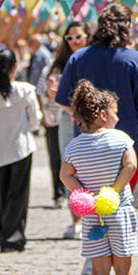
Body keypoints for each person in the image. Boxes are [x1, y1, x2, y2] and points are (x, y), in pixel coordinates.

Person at [56, 4, 138, 209]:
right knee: (125, 209)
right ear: (127, 27)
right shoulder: (134, 59)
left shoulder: (78, 58)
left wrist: (81, 116)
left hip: (86, 149)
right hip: (127, 148)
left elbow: (63, 99)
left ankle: (97, 240)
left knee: (93, 210)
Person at [61, 79, 138, 275]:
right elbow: (130, 165)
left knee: (98, 268)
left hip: (94, 215)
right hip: (119, 210)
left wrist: (84, 194)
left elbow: (65, 174)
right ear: (104, 115)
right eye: (116, 112)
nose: (118, 116)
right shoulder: (120, 139)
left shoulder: (74, 146)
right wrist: (114, 191)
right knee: (123, 266)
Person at [0, 48, 42, 252]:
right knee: (18, 195)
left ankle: (2, 235)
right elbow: (35, 120)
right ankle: (13, 236)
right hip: (20, 148)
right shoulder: (25, 91)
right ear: (16, 67)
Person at [47, 21, 90, 236]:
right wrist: (51, 94)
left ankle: (94, 216)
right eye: (70, 38)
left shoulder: (94, 59)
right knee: (70, 167)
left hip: (92, 120)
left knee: (93, 168)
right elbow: (49, 91)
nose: (74, 42)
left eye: (78, 37)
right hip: (67, 119)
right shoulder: (60, 63)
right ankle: (77, 219)